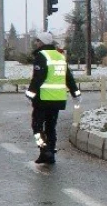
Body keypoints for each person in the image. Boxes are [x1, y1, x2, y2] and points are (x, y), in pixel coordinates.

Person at [25, 32, 81, 165]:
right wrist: (76, 94)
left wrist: (30, 94)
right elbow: (69, 77)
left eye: (38, 41)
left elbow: (38, 77)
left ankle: (44, 149)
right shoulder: (60, 56)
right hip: (58, 99)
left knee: (36, 127)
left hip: (43, 99)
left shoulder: (41, 56)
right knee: (51, 127)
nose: (36, 43)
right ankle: (50, 153)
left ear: (42, 42)